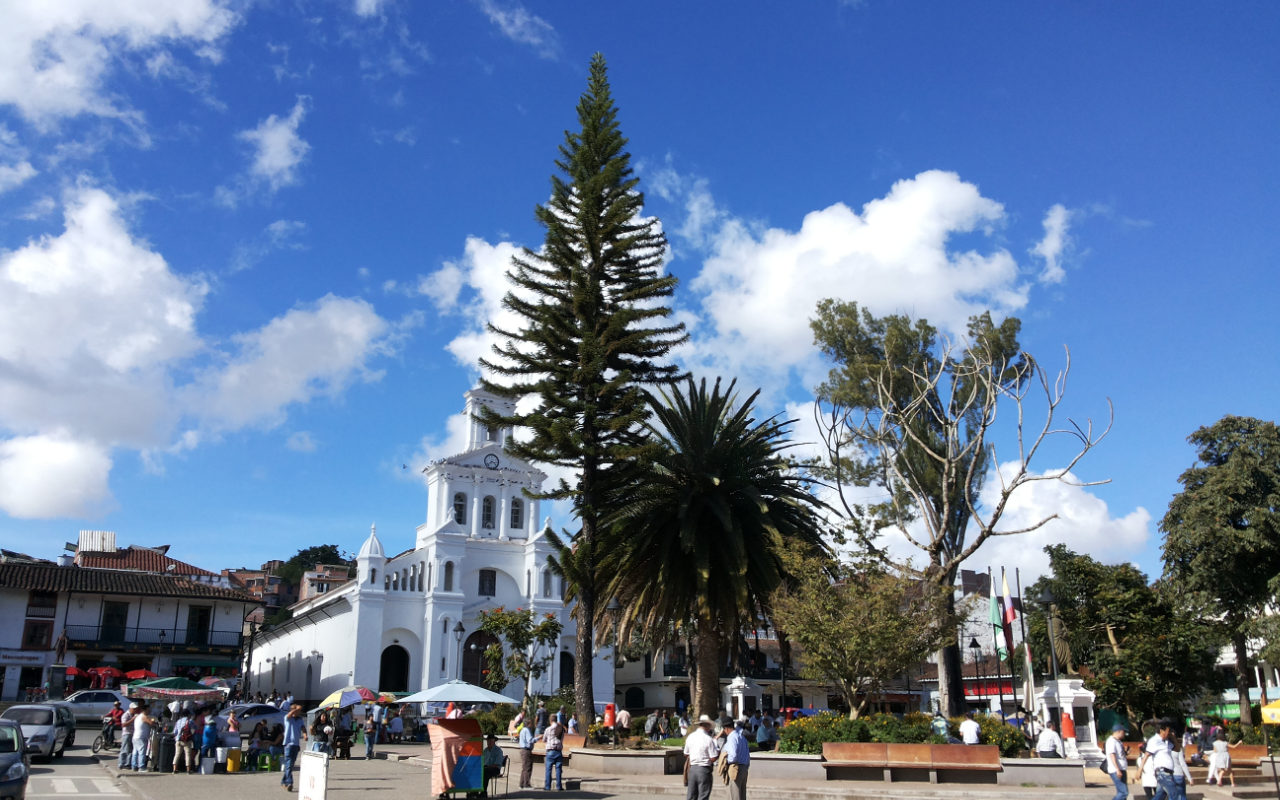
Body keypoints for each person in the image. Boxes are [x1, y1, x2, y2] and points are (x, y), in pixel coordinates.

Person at [1139, 720, 1177, 800]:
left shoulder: (1166, 742)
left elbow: (1177, 749)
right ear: (1162, 730)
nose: (1169, 732)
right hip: (1163, 772)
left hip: (1168, 772)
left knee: (1159, 796)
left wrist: (1173, 737)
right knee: (1174, 795)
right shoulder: (1154, 741)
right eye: (1168, 730)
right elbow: (1146, 755)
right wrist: (1140, 769)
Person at [683, 716, 719, 800]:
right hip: (704, 769)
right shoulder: (708, 739)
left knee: (691, 796)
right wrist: (718, 753)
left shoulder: (690, 737)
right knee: (703, 796)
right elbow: (713, 758)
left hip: (692, 769)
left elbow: (686, 753)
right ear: (707, 726)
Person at [281, 703, 308, 792]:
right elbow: (289, 715)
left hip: (296, 744)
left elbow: (303, 728)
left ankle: (283, 781)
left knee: (291, 764)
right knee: (289, 763)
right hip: (288, 744)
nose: (298, 712)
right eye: (296, 710)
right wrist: (297, 709)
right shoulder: (287, 718)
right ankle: (289, 782)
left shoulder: (299, 720)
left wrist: (305, 735)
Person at [721, 718, 750, 800]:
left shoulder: (732, 738)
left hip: (734, 768)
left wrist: (725, 761)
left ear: (726, 729)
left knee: (734, 796)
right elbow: (747, 755)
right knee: (742, 796)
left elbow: (733, 756)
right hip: (744, 768)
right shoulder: (742, 737)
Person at [1105, 723, 1129, 800]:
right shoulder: (1111, 741)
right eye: (1123, 732)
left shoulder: (1118, 742)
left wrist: (1126, 753)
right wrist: (1117, 769)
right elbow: (1112, 755)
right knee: (1124, 792)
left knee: (1121, 792)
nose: (1124, 734)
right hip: (1116, 770)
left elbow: (1120, 755)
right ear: (1118, 731)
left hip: (1122, 769)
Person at [543, 716, 565, 792]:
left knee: (548, 769)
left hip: (550, 751)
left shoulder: (548, 729)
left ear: (550, 720)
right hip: (558, 751)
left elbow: (544, 739)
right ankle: (559, 786)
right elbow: (562, 739)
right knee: (558, 769)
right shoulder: (561, 729)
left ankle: (547, 786)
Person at [130, 706, 156, 772]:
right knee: (142, 752)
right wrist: (153, 720)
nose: (149, 711)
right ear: (144, 710)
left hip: (136, 736)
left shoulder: (138, 717)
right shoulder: (143, 716)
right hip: (141, 737)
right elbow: (151, 723)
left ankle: (134, 766)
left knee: (135, 752)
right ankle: (141, 767)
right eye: (148, 710)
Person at [172, 710, 197, 774]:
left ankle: (174, 769)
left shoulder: (178, 721)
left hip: (178, 739)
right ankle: (188, 770)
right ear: (188, 715)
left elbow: (175, 732)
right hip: (186, 740)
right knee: (188, 755)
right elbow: (195, 727)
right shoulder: (190, 721)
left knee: (177, 755)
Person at [481, 733, 504, 798]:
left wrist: (487, 767)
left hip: (495, 769)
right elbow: (482, 761)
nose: (489, 743)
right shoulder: (485, 751)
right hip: (486, 767)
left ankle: (483, 792)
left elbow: (497, 764)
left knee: (485, 772)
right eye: (488, 741)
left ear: (494, 741)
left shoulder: (498, 751)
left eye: (491, 741)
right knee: (478, 772)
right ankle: (475, 791)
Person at [517, 715, 536, 789]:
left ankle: (521, 784)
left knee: (524, 768)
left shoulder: (523, 730)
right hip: (526, 750)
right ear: (527, 723)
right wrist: (538, 738)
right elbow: (530, 740)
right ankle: (526, 784)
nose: (532, 725)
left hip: (523, 750)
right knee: (528, 768)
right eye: (531, 723)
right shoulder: (527, 730)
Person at [117, 703, 136, 770]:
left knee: (130, 749)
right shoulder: (126, 715)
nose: (135, 710)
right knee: (125, 749)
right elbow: (123, 725)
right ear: (130, 708)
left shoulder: (134, 715)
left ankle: (128, 764)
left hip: (133, 733)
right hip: (127, 733)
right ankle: (122, 763)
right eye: (133, 709)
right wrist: (132, 719)